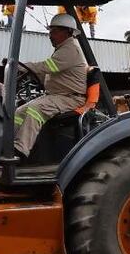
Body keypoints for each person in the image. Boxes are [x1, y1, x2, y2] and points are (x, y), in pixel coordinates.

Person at [13, 14, 88, 159]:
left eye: (54, 31)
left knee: (36, 110)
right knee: (20, 111)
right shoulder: (62, 48)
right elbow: (51, 73)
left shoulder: (71, 49)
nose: (50, 35)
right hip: (57, 95)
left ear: (66, 32)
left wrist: (22, 66)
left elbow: (48, 67)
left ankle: (20, 151)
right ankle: (9, 145)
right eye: (50, 31)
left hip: (70, 98)